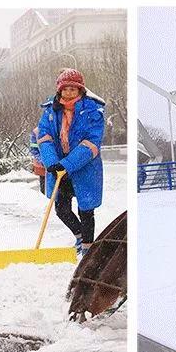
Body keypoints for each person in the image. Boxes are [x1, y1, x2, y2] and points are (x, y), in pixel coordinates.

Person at [37, 69, 104, 257]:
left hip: (84, 168)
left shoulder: (92, 111)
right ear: (59, 90)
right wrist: (52, 162)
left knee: (86, 209)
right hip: (58, 168)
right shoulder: (51, 111)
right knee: (62, 208)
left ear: (80, 90)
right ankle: (80, 236)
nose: (68, 93)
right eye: (65, 89)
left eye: (73, 89)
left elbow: (91, 143)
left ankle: (88, 249)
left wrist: (68, 164)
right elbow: (44, 137)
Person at [30, 125, 46, 194]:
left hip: (57, 166)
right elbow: (34, 149)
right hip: (42, 167)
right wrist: (42, 161)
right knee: (44, 190)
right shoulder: (36, 132)